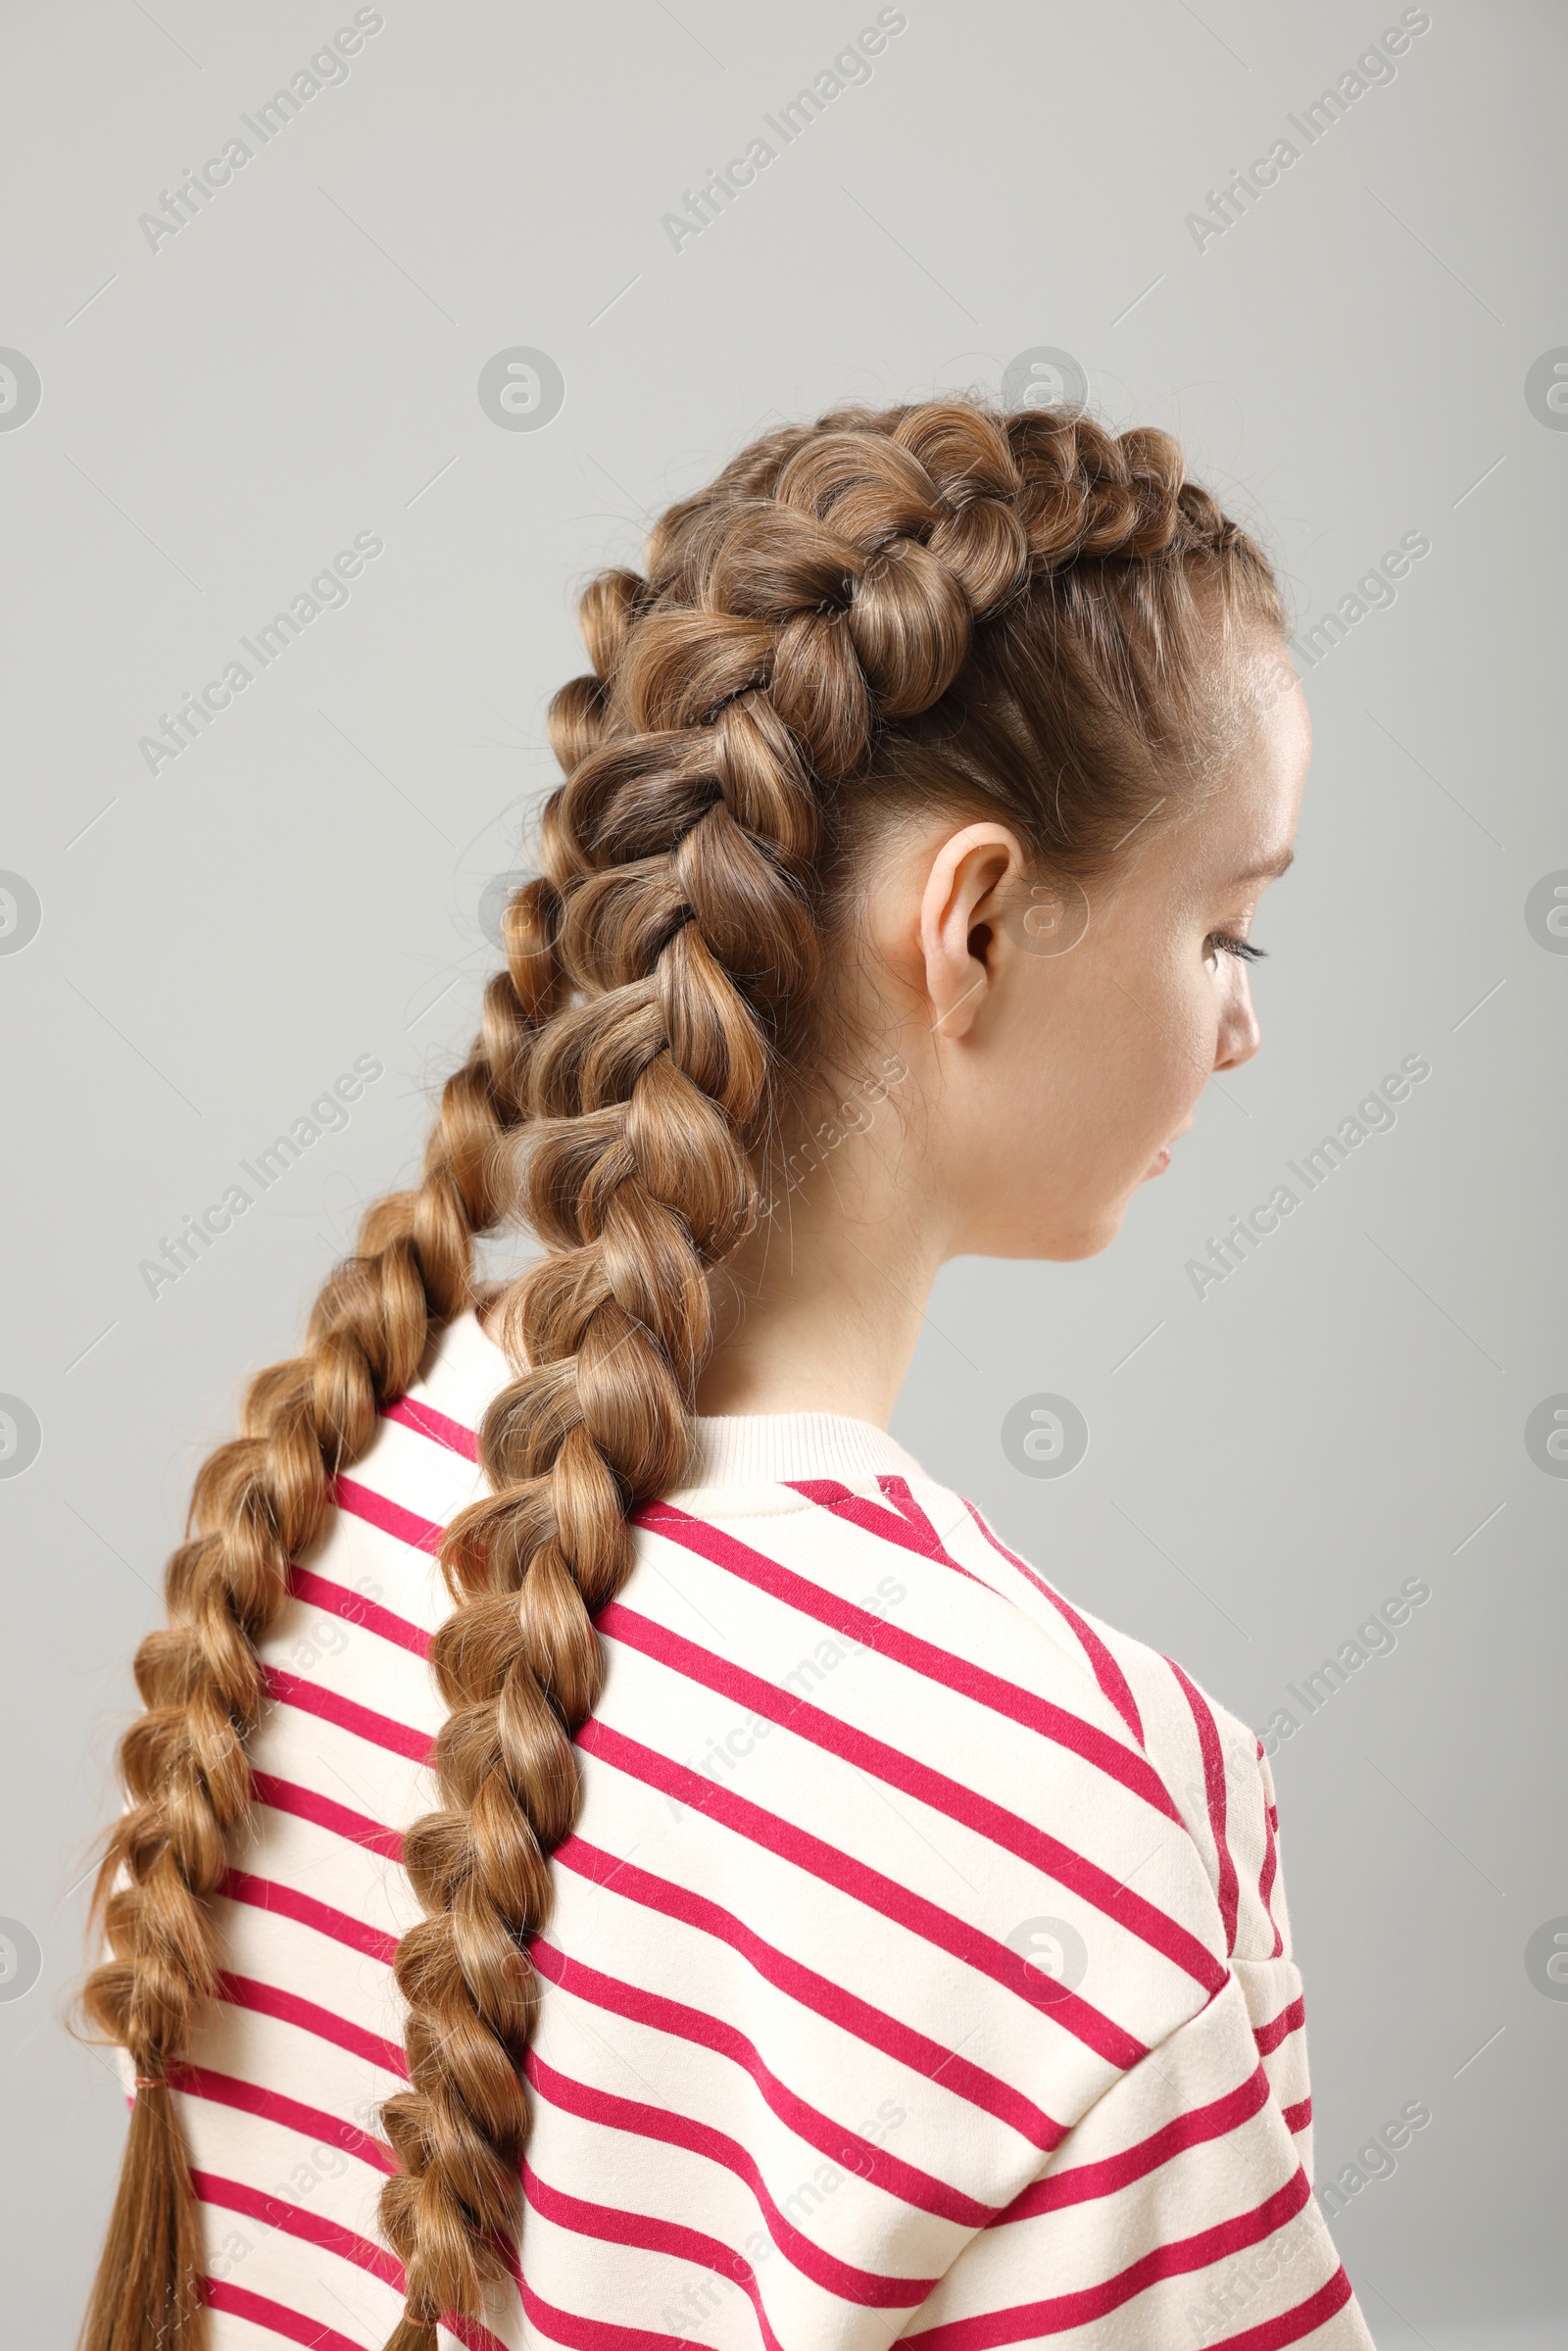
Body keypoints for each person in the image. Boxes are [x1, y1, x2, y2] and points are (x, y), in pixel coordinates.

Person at [79, 396, 1372, 2350]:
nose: (1240, 1030)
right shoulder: (1081, 1808)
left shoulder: (304, 1522)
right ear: (977, 922)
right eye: (1228, 930)